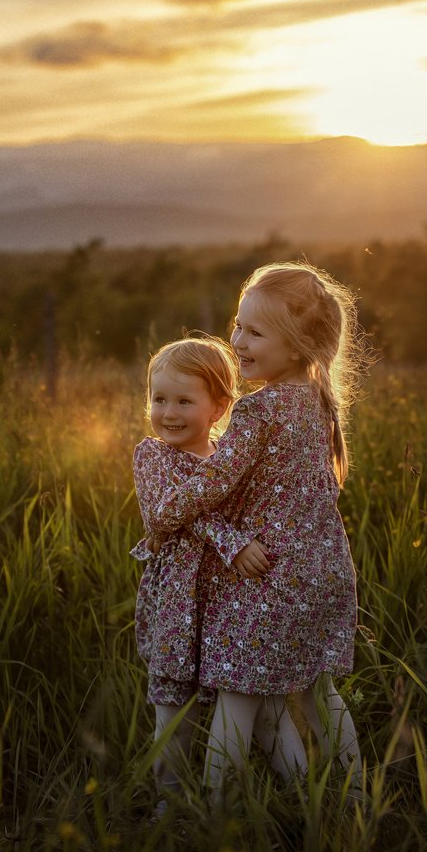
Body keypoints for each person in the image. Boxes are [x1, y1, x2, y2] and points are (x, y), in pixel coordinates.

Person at [145, 262, 366, 796]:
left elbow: (214, 482)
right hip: (323, 572)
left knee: (235, 696)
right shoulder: (317, 402)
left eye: (255, 332)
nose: (238, 340)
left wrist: (166, 509)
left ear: (296, 347)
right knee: (318, 693)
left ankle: (215, 814)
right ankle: (355, 795)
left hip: (268, 577)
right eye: (237, 324)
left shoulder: (258, 411)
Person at [130, 336, 306, 812]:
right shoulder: (153, 457)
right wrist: (232, 542)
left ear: (219, 407)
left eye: (184, 400)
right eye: (158, 398)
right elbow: (169, 512)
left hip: (230, 605)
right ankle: (170, 813)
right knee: (174, 716)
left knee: (257, 701)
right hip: (177, 606)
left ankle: (304, 801)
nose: (168, 411)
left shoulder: (231, 455)